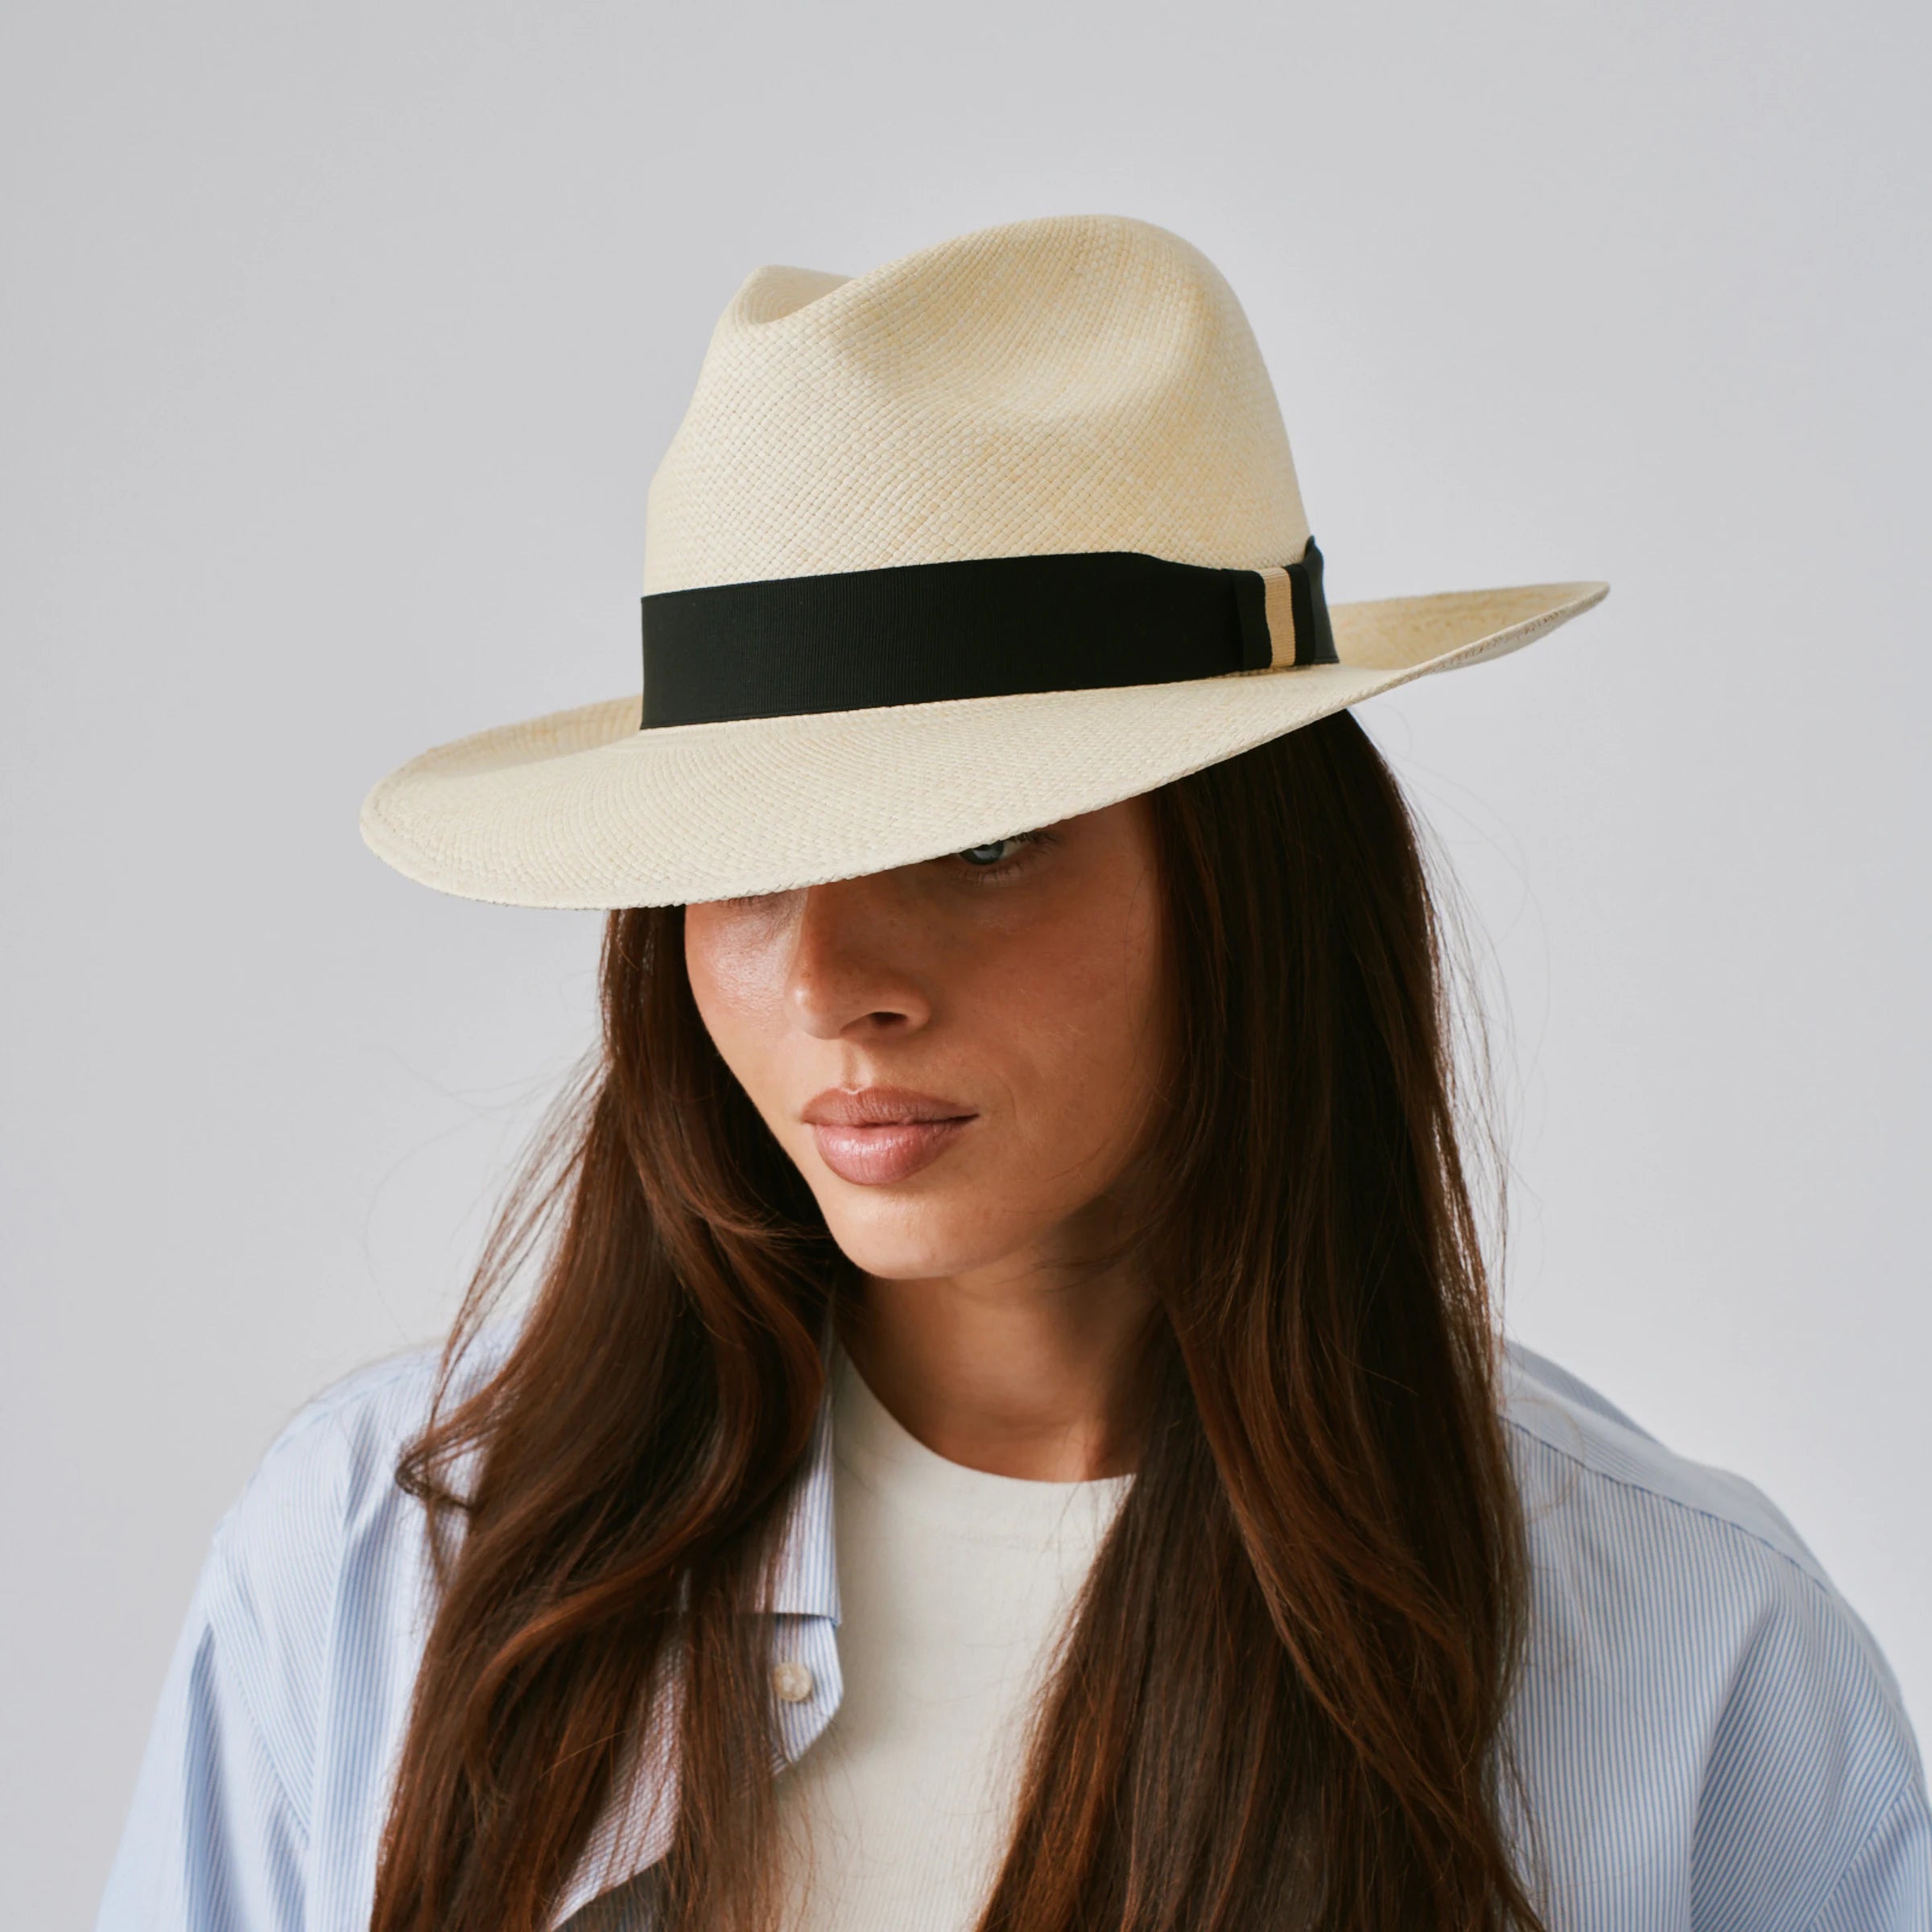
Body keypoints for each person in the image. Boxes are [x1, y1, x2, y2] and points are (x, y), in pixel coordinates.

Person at [99, 213, 1929, 1932]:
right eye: (743, 862)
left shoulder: (1693, 1667)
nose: (829, 980)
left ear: (1245, 879)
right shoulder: (379, 1574)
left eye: (982, 845)